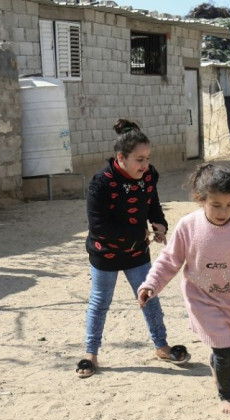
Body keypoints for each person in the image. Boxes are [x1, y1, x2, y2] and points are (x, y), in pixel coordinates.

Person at [137, 163, 230, 414]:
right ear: (201, 200)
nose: (224, 211)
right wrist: (151, 284)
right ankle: (227, 396)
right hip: (201, 300)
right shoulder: (188, 226)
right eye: (216, 205)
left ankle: (216, 361)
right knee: (224, 351)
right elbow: (169, 260)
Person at [76, 119, 191, 378]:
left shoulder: (148, 176)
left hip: (137, 252)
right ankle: (91, 353)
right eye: (139, 159)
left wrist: (159, 223)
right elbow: (98, 226)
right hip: (104, 252)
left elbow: (151, 202)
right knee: (100, 301)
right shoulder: (101, 183)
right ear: (121, 157)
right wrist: (138, 232)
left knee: (149, 296)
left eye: (147, 158)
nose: (145, 165)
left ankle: (162, 346)